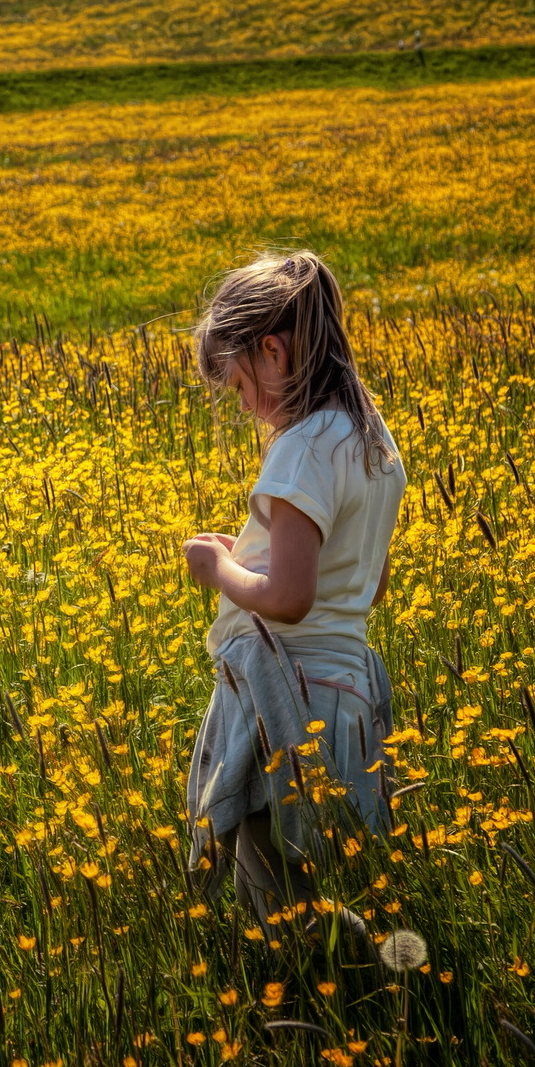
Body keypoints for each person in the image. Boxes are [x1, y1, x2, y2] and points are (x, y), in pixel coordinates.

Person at [180, 249, 407, 927]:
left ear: (274, 352)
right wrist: (252, 553)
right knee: (327, 885)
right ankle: (371, 988)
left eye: (241, 387)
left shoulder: (303, 446)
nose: (247, 407)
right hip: (347, 699)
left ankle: (334, 1002)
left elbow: (288, 599)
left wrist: (217, 568)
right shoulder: (370, 441)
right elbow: (364, 585)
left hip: (288, 705)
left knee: (277, 903)